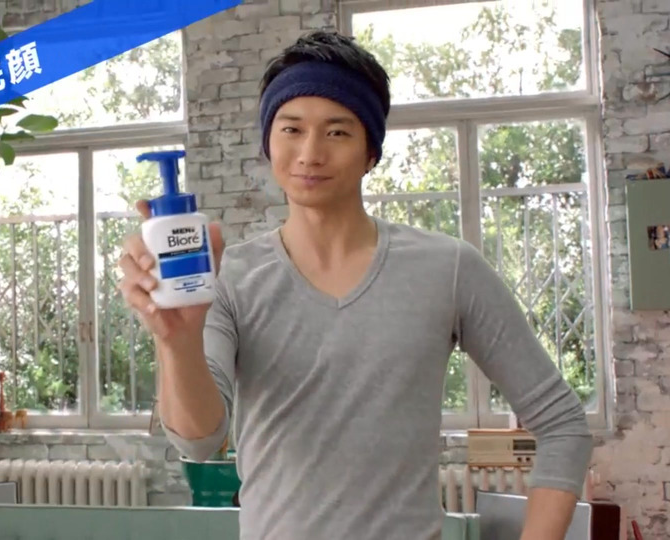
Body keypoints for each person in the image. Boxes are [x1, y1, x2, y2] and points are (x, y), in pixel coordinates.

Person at [117, 30, 593, 540]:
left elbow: (562, 424)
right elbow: (198, 440)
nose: (310, 153)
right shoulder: (229, 276)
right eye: (291, 128)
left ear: (371, 151)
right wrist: (177, 341)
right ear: (267, 143)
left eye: (337, 132)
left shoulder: (448, 267)